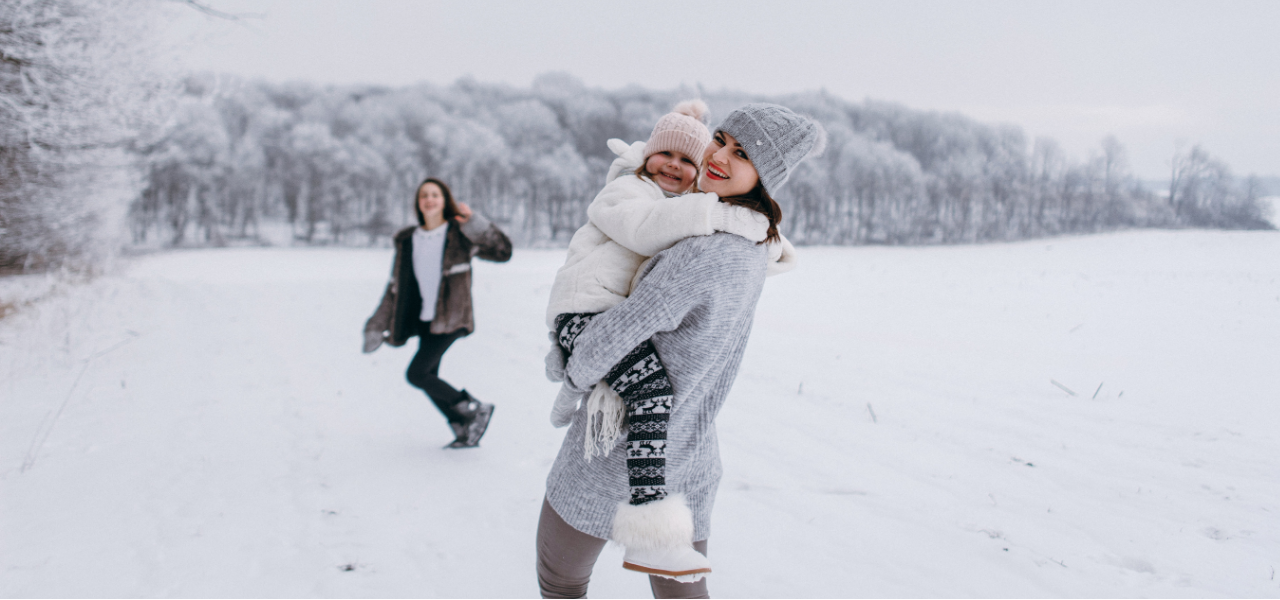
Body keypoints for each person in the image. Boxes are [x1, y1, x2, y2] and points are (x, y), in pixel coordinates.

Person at [537, 103, 825, 598]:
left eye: (743, 153)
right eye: (721, 139)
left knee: (560, 581)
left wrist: (571, 380)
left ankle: (648, 517)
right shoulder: (752, 241)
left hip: (614, 449)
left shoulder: (704, 248)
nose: (719, 156)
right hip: (692, 445)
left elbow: (609, 338)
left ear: (765, 176)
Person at [363, 178, 512, 448]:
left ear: (445, 201)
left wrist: (474, 223)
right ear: (418, 203)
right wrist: (376, 325)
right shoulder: (407, 240)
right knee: (428, 377)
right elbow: (394, 288)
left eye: (435, 194)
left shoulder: (460, 235)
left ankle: (473, 408)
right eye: (424, 195)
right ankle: (462, 425)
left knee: (417, 374)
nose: (429, 199)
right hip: (424, 321)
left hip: (453, 318)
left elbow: (503, 252)